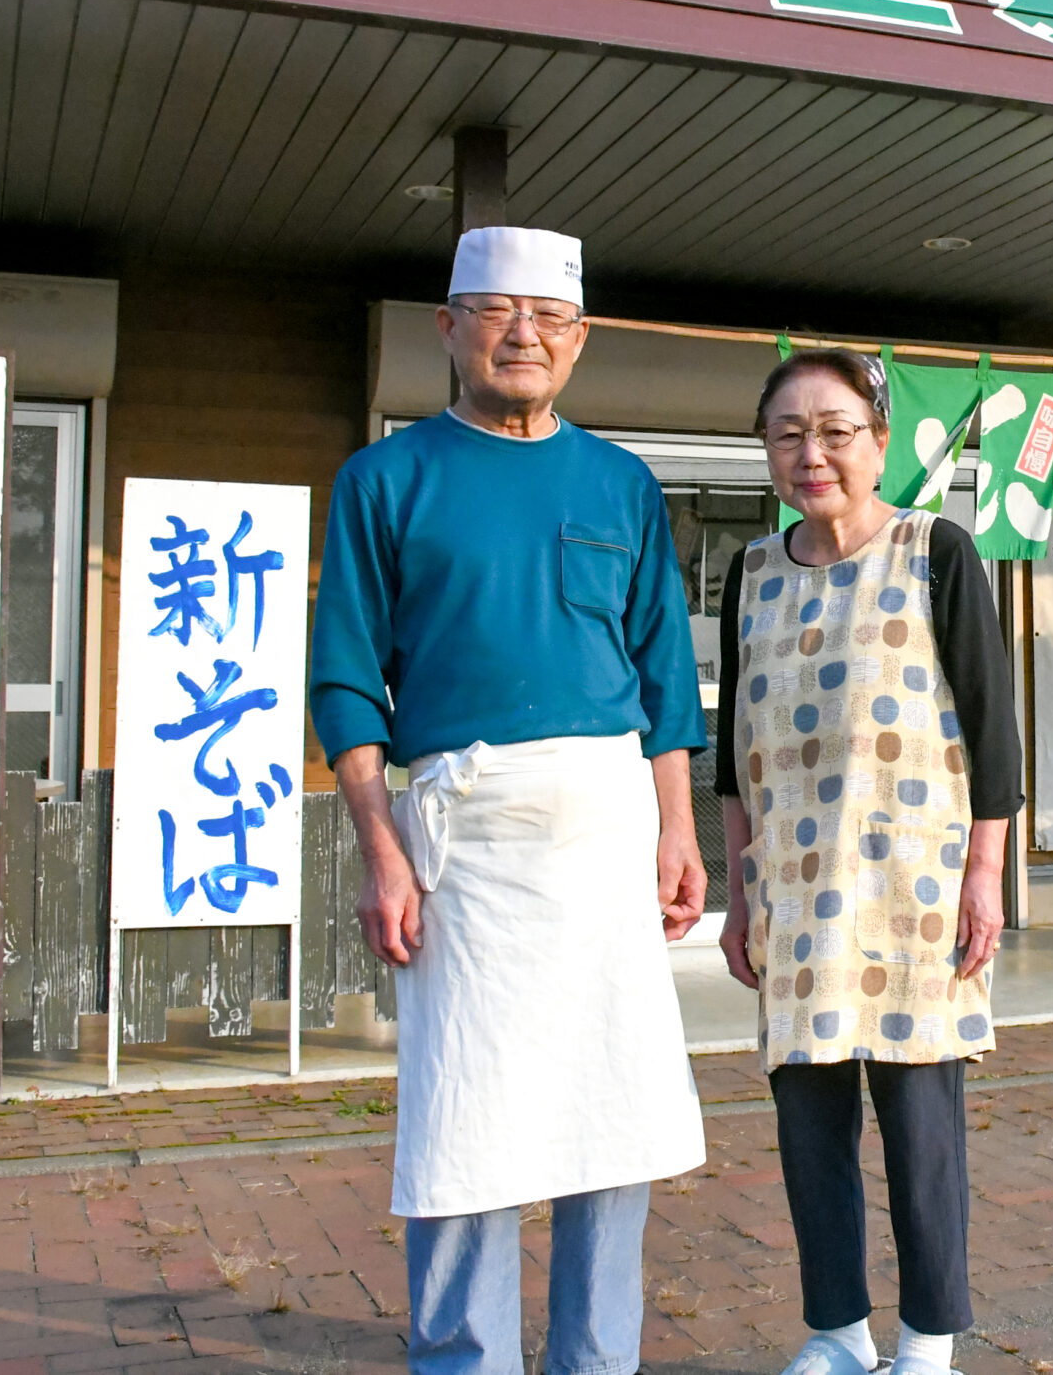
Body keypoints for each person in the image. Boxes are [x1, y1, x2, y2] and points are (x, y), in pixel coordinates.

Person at [310, 225, 709, 1375]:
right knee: (462, 1120)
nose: (521, 333)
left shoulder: (621, 483)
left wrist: (678, 828)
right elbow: (346, 677)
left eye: (547, 316)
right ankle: (460, 1357)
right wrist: (380, 849)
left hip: (605, 828)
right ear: (449, 328)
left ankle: (599, 1358)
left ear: (579, 341)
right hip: (463, 838)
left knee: (611, 1108)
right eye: (494, 309)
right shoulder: (387, 478)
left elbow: (662, 677)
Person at [715, 350, 1022, 1375]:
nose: (813, 454)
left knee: (920, 1124)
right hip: (793, 891)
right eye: (789, 433)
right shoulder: (749, 572)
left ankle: (928, 1338)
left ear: (879, 441)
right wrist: (736, 891)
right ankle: (836, 1332)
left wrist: (985, 874)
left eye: (836, 430)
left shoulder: (934, 549)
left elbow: (992, 730)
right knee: (808, 1122)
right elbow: (732, 751)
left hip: (913, 884)